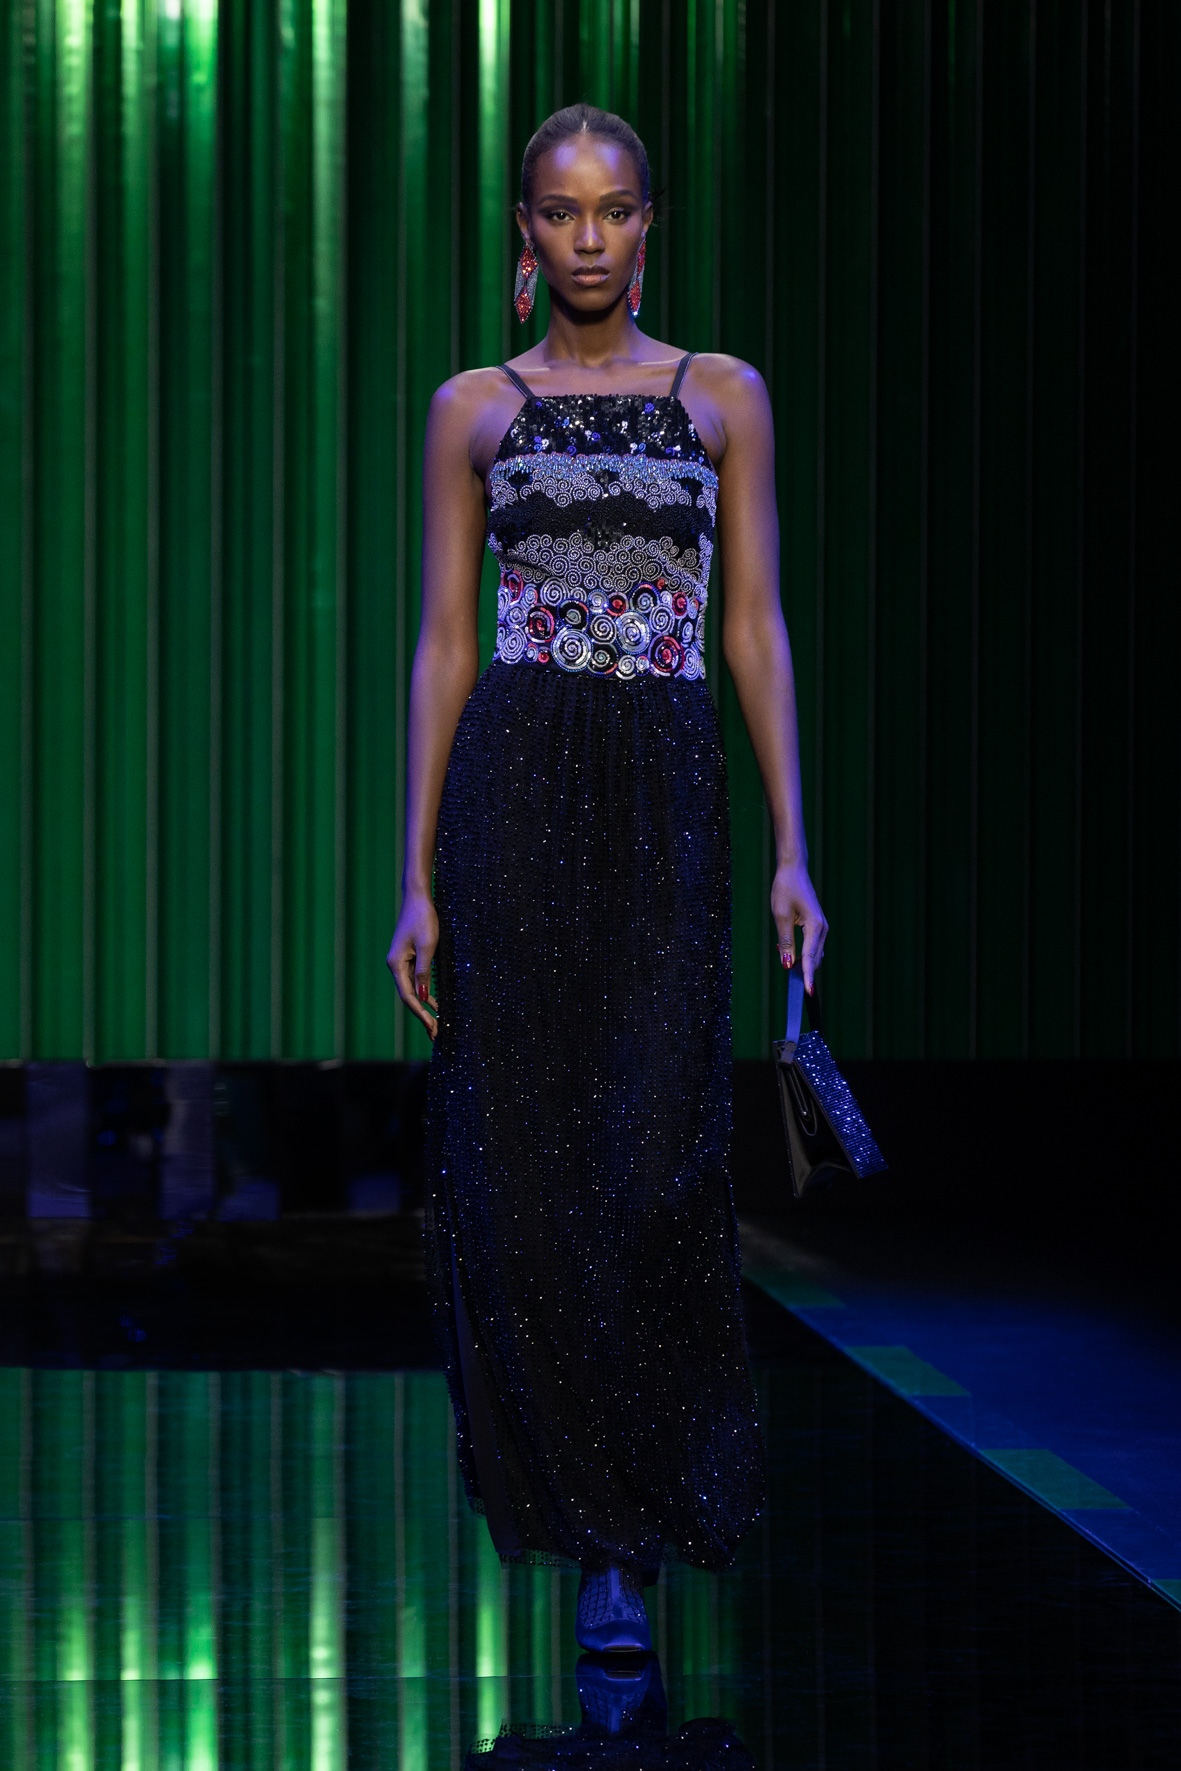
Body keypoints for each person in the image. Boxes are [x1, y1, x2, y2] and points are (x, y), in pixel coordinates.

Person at [387, 103, 827, 1654]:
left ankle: (644, 1498)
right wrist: (415, 877)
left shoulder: (719, 395)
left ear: (648, 225)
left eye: (614, 209)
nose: (588, 236)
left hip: (663, 793)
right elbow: (445, 644)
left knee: (654, 1159)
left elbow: (751, 624)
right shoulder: (471, 408)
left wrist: (792, 847)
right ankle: (596, 1546)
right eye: (561, 211)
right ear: (523, 231)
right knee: (524, 1168)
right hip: (514, 790)